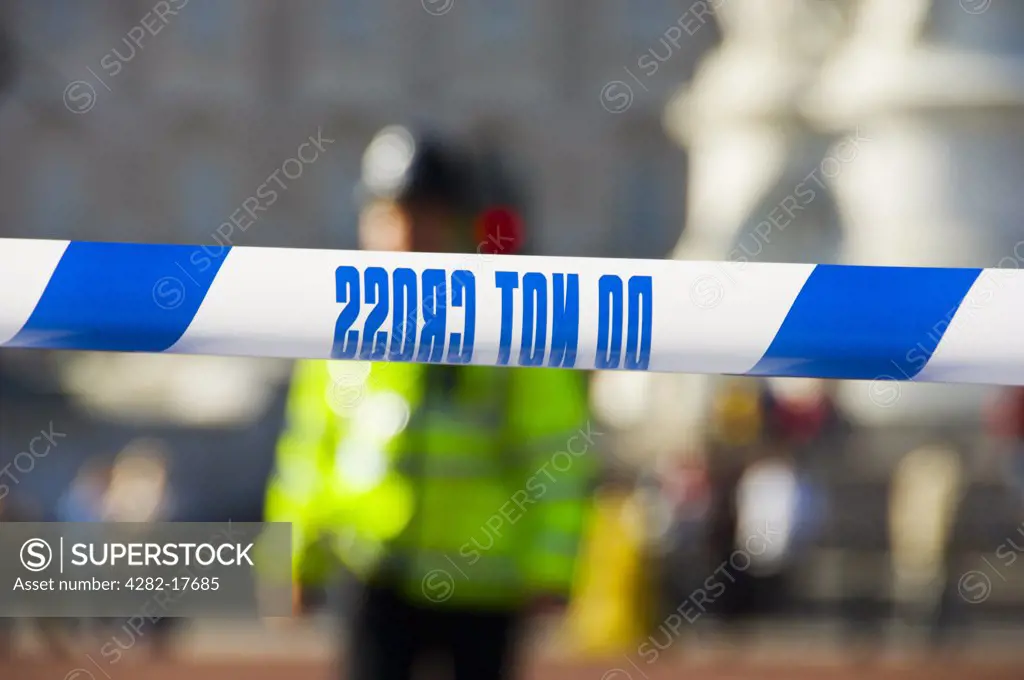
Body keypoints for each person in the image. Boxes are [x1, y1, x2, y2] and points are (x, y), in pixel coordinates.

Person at [262, 125, 595, 680]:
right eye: (389, 215)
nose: (406, 234)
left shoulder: (510, 325)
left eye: (424, 215)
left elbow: (557, 456)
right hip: (373, 573)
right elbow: (305, 456)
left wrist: (551, 568)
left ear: (459, 222)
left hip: (485, 584)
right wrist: (290, 561)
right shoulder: (337, 331)